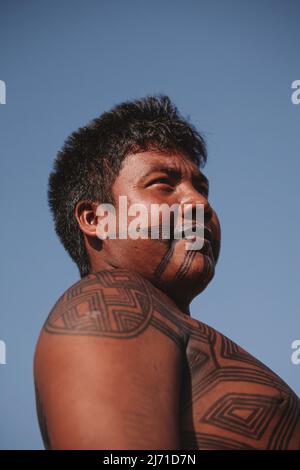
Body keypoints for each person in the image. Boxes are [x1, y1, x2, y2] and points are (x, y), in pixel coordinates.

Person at [34, 95, 300, 449]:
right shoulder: (106, 302)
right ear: (98, 218)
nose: (201, 204)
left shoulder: (174, 327)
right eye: (164, 183)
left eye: (201, 188)